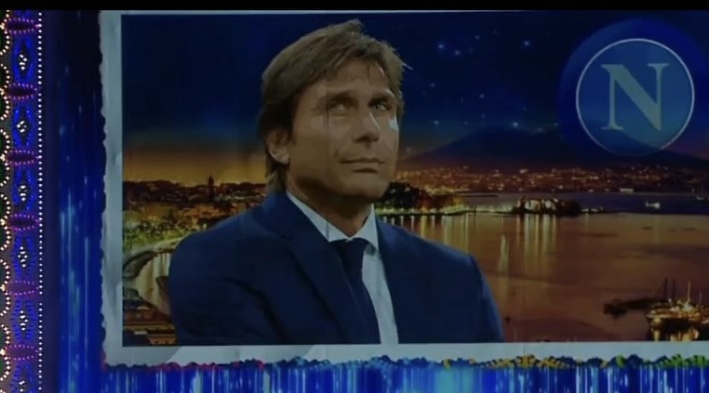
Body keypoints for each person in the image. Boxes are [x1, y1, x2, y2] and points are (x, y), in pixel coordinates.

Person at [168, 19, 504, 347]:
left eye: (381, 106)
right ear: (280, 142)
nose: (370, 129)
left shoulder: (459, 278)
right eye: (338, 107)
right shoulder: (219, 261)